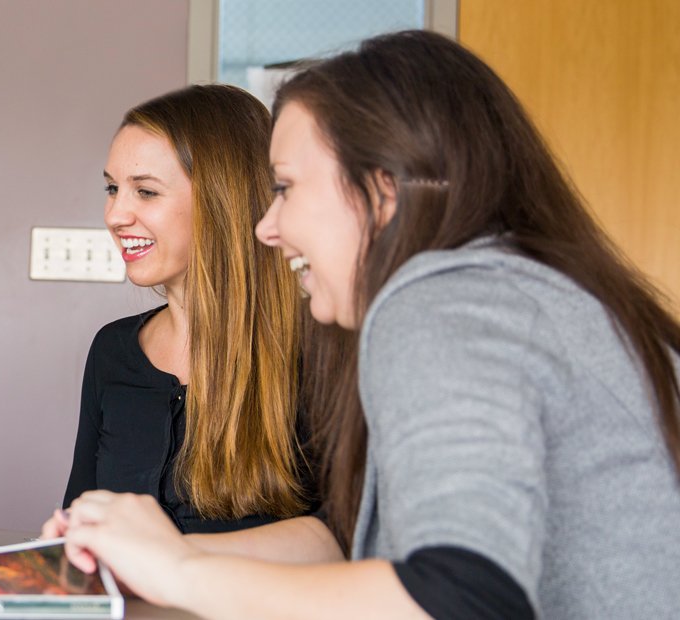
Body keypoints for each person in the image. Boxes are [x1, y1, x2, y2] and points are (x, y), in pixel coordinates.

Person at [51, 30, 680, 618]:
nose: (267, 227)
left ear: (383, 192)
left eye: (288, 188)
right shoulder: (522, 293)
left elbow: (463, 595)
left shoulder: (441, 306)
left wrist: (177, 569)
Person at [53, 84, 310, 535]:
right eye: (113, 188)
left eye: (145, 192)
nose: (115, 214)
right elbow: (79, 520)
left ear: (222, 200)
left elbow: (345, 545)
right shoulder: (112, 350)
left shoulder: (317, 357)